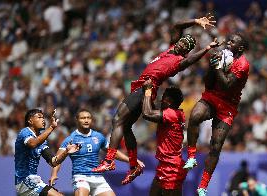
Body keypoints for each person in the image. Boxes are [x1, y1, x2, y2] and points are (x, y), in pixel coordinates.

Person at [93, 14, 221, 185]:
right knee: (125, 127)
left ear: (186, 50)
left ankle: (109, 161)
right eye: (183, 41)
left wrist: (206, 49)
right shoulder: (170, 48)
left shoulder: (179, 61)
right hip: (141, 86)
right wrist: (196, 21)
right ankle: (133, 166)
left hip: (147, 87)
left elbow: (191, 59)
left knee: (117, 120)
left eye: (187, 45)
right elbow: (177, 25)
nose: (182, 43)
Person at [183, 33, 250, 195]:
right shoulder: (220, 56)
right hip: (212, 96)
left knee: (216, 144)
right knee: (195, 116)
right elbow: (208, 83)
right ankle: (191, 156)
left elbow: (227, 85)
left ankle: (203, 186)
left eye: (232, 41)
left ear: (239, 48)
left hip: (228, 104)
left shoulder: (243, 64)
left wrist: (218, 68)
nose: (227, 42)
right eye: (228, 39)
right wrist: (212, 67)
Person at [49, 109, 145, 196]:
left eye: (88, 118)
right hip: (81, 177)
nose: (86, 120)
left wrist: (132, 160)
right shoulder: (70, 139)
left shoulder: (98, 137)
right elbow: (58, 159)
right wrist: (54, 174)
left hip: (98, 177)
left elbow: (113, 152)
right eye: (83, 118)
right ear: (77, 120)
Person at [15, 108, 81, 196]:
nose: (43, 120)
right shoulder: (25, 132)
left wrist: (66, 152)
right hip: (24, 180)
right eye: (39, 117)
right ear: (30, 121)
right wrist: (51, 127)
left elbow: (53, 162)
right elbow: (32, 144)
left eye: (43, 117)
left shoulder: (42, 141)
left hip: (34, 180)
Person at [141, 79, 187, 196]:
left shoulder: (171, 114)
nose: (161, 100)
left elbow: (147, 113)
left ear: (169, 102)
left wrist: (148, 91)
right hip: (165, 165)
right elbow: (152, 109)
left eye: (163, 98)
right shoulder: (176, 113)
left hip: (172, 168)